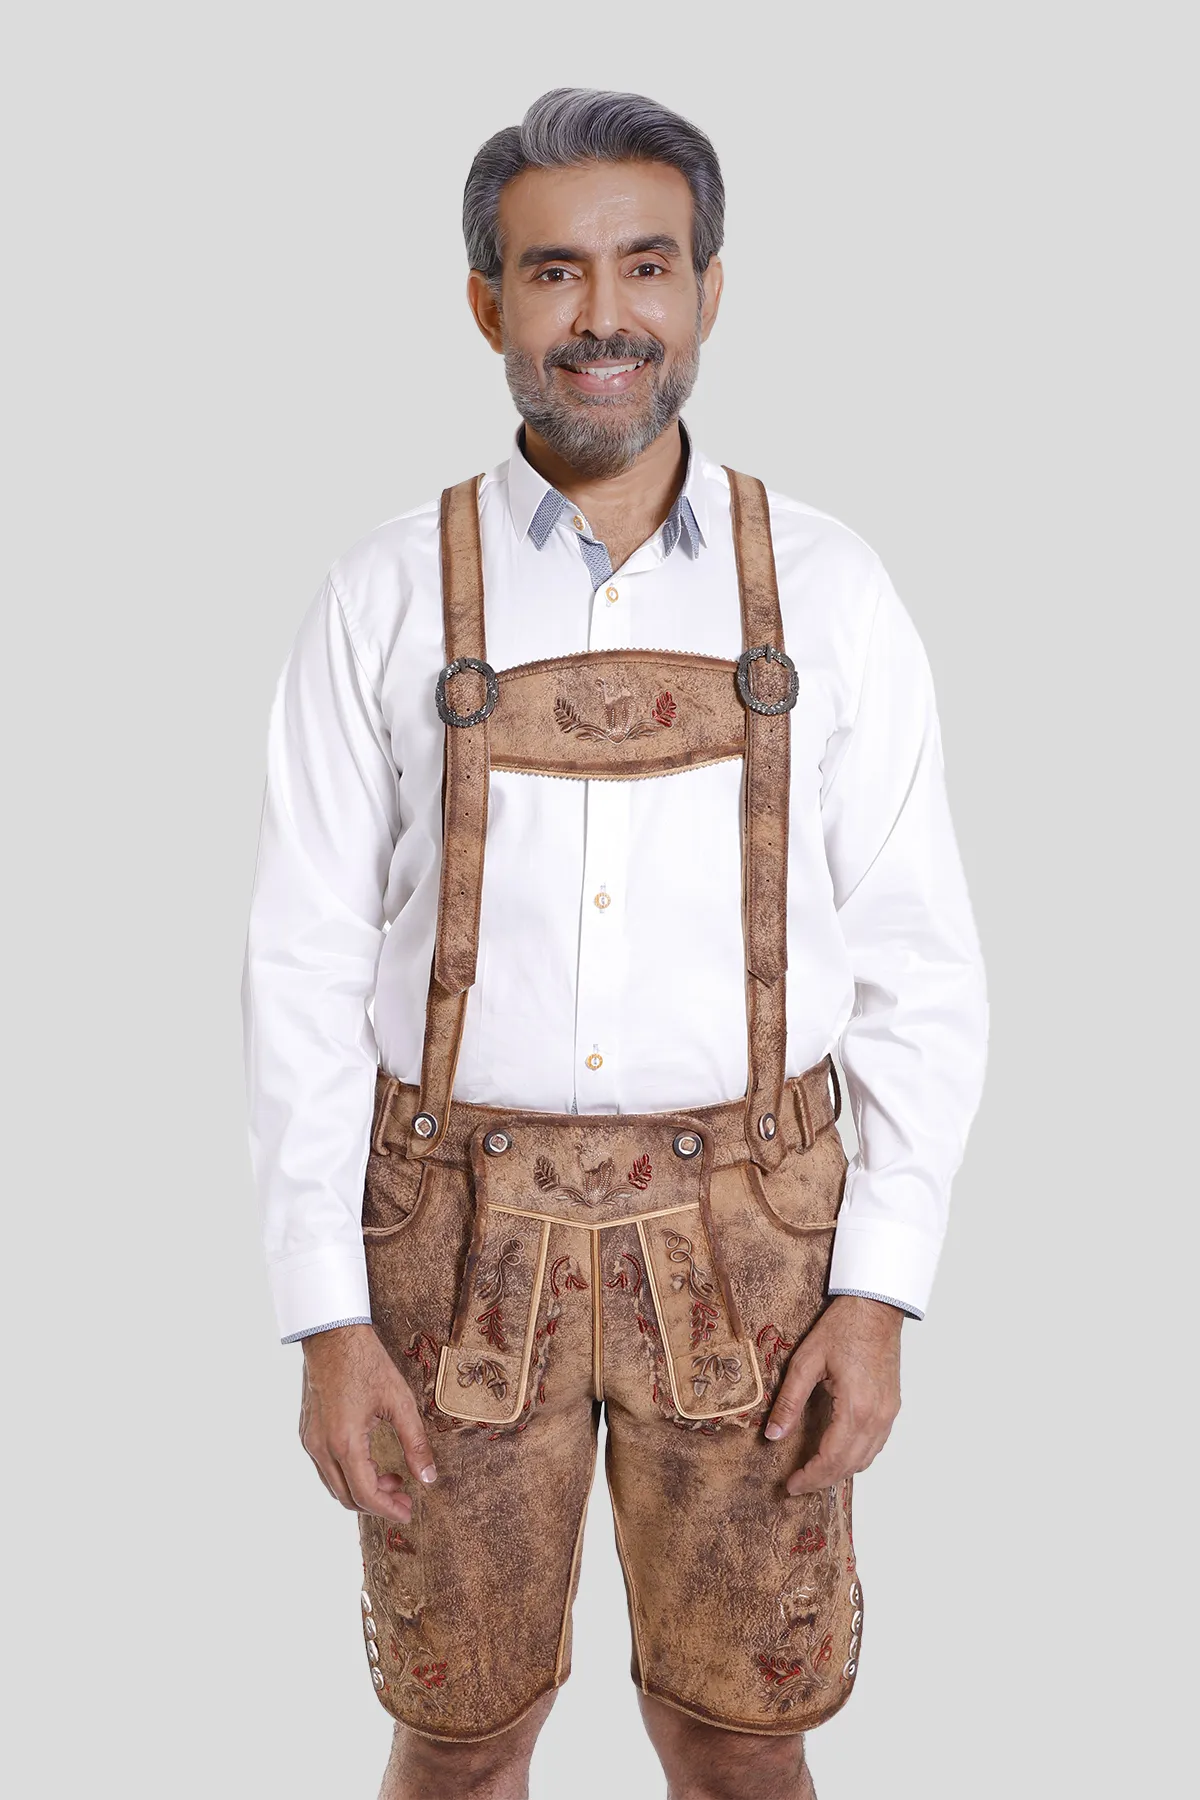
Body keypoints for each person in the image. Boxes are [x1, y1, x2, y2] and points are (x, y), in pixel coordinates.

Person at [240, 86, 988, 1800]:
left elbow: (921, 963)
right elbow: (298, 965)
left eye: (646, 266)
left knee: (742, 1731)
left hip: (761, 1242)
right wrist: (323, 1316)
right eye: (554, 271)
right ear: (487, 303)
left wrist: (881, 1288)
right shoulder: (381, 593)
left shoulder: (833, 588)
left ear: (708, 290)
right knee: (461, 1735)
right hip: (448, 1238)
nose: (603, 316)